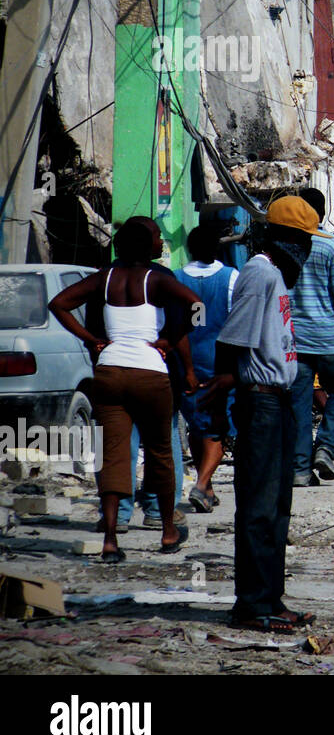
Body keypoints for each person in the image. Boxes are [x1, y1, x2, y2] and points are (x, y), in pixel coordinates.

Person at [49, 216, 200, 561]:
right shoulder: (157, 280)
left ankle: (111, 539)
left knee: (112, 454)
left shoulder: (104, 280)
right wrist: (170, 340)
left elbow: (58, 304)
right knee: (160, 452)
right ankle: (167, 532)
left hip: (109, 371)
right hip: (150, 373)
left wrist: (93, 340)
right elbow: (197, 307)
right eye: (157, 239)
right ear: (147, 247)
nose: (161, 243)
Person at [199, 197, 315, 632]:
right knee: (259, 508)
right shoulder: (260, 272)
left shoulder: (278, 275)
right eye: (303, 240)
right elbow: (233, 338)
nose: (305, 249)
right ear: (286, 238)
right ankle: (252, 604)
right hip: (261, 399)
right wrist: (226, 381)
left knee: (277, 507)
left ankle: (271, 598)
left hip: (279, 398)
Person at [288, 188, 334, 487]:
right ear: (320, 212)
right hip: (329, 339)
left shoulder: (284, 244)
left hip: (294, 339)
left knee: (300, 403)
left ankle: (300, 469)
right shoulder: (331, 245)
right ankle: (327, 446)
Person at [175, 223, 239, 513]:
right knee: (218, 426)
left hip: (184, 360)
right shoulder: (230, 278)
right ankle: (201, 484)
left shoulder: (176, 278)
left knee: (196, 423)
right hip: (217, 360)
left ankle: (208, 487)